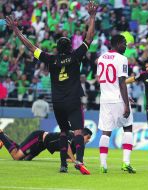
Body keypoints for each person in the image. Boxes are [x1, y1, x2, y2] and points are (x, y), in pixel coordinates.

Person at [5, 2, 97, 174]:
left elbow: (31, 47)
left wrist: (17, 32)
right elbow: (89, 38)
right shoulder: (76, 56)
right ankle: (80, 161)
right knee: (77, 131)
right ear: (70, 48)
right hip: (73, 101)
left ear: (57, 49)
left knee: (63, 132)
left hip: (58, 102)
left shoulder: (50, 59)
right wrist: (92, 17)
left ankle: (63, 165)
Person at [97, 34, 136, 174]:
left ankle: (103, 165)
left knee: (105, 131)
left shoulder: (101, 58)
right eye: (124, 43)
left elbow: (101, 79)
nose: (126, 46)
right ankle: (126, 163)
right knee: (128, 127)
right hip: (118, 98)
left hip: (105, 99)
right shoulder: (122, 58)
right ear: (118, 43)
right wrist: (126, 103)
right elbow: (121, 83)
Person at [0, 128, 92, 163]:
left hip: (42, 146)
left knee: (26, 159)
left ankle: (4, 139)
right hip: (38, 138)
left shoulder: (75, 146)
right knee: (16, 156)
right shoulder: (71, 135)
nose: (88, 140)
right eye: (87, 138)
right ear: (81, 135)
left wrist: (76, 161)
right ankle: (1, 135)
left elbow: (67, 158)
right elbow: (66, 146)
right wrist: (74, 160)